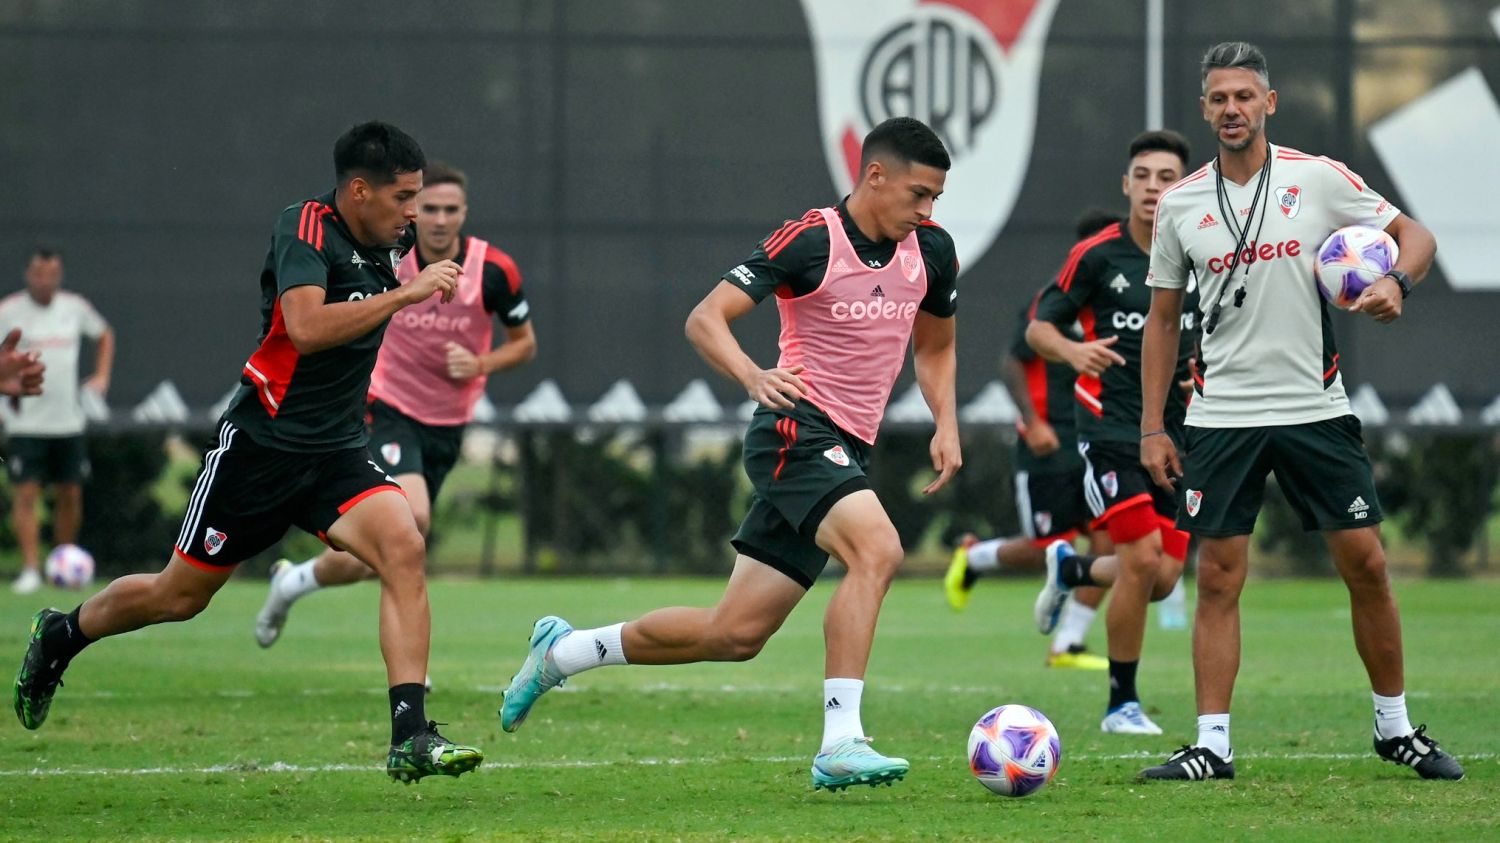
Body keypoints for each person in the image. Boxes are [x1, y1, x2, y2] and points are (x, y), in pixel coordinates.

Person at [495, 116, 961, 792]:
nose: (927, 211)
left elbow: (937, 346)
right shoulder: (811, 240)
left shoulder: (933, 251)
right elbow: (705, 318)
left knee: (735, 634)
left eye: (936, 198)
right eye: (919, 194)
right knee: (879, 549)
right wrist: (752, 375)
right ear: (875, 175)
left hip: (846, 449)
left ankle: (564, 651)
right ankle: (841, 741)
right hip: (794, 431)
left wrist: (945, 422)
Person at [12, 122, 484, 783]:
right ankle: (63, 633)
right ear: (358, 191)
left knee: (405, 546)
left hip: (337, 449)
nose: (415, 213)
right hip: (260, 449)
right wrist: (405, 294)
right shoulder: (305, 227)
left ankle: (411, 735)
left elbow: (439, 260)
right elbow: (306, 328)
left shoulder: (394, 237)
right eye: (405, 197)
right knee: (178, 596)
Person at [1137, 42, 1462, 781]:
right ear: (1204, 109)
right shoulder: (1182, 203)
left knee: (1367, 563)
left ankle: (1394, 727)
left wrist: (1397, 284)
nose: (1232, 110)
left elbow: (1416, 237)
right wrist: (1153, 426)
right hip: (1221, 415)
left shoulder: (1318, 178)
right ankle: (1212, 745)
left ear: (1269, 103)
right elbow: (1161, 321)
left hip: (1315, 406)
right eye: (1219, 98)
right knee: (1218, 576)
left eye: (1244, 96)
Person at [254, 161, 537, 656]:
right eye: (430, 208)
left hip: (447, 424)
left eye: (451, 209)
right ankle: (410, 675)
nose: (440, 219)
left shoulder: (494, 270)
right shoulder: (389, 255)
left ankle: (295, 581)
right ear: (414, 209)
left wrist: (480, 363)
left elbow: (525, 344)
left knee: (381, 551)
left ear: (464, 212)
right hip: (387, 408)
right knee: (414, 518)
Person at [1025, 129, 1200, 735]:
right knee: (1141, 559)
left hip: (1180, 435)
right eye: (1143, 176)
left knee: (1163, 579)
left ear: (1185, 186)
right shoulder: (1097, 255)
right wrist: (1074, 352)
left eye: (1167, 177)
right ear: (1126, 185)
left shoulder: (1202, 251)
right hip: (1109, 427)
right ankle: (1121, 704)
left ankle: (1073, 571)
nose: (1154, 188)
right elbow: (1040, 329)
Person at [944, 212, 1120, 671]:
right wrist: (1033, 421)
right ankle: (975, 556)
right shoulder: (1052, 300)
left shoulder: (1118, 304)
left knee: (1111, 544)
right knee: (1050, 546)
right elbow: (1012, 362)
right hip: (1049, 444)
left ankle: (1068, 644)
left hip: (1097, 440)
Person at [0, 248, 113, 595]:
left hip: (68, 422)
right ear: (28, 274)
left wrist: (101, 376)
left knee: (70, 493)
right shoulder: (9, 311)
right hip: (26, 423)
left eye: (52, 274)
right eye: (39, 273)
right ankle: (30, 569)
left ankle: (63, 561)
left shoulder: (74, 307)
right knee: (26, 493)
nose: (45, 281)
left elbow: (104, 333)